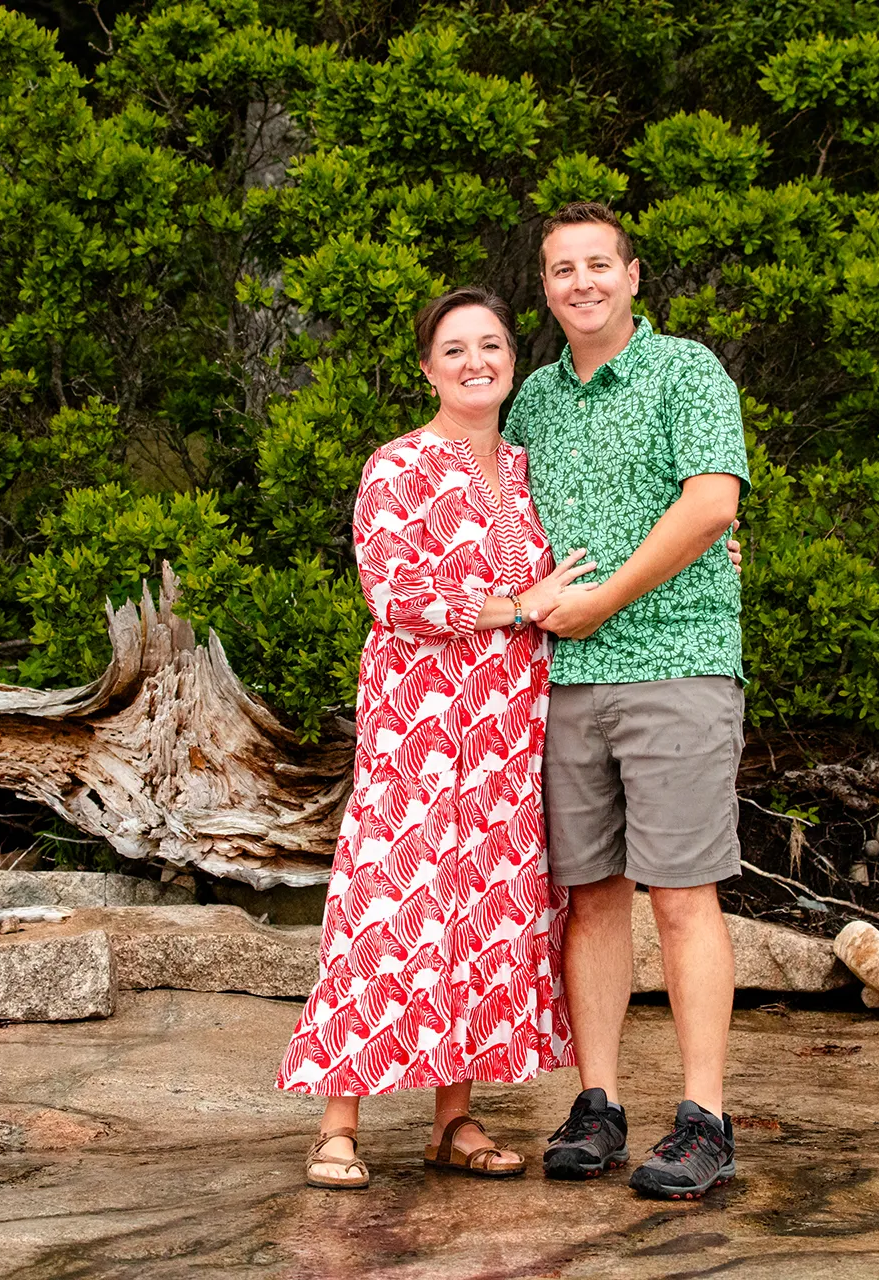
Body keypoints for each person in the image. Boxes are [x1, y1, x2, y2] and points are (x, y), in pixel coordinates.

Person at [277, 286, 592, 1190]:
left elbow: (597, 550)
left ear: (511, 360)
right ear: (427, 368)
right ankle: (338, 1124)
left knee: (480, 918)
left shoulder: (532, 470)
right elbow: (394, 596)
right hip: (418, 734)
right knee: (388, 912)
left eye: (490, 346)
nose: (475, 362)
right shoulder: (398, 465)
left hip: (506, 735)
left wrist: (711, 546)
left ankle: (453, 1124)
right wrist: (517, 605)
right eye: (453, 350)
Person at [506, 201, 750, 1200]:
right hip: (562, 681)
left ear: (633, 274)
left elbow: (711, 502)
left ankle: (705, 1119)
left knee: (685, 894)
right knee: (591, 896)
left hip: (677, 662)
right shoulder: (532, 400)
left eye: (598, 264)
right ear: (548, 286)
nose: (581, 282)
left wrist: (607, 596)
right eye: (563, 269)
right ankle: (597, 1103)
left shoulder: (689, 371)